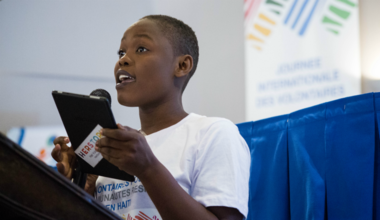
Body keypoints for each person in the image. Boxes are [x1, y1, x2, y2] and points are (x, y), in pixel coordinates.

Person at [52, 15, 250, 220]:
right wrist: (82, 189)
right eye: (121, 52)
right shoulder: (113, 148)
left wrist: (148, 169)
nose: (123, 59)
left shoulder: (213, 133)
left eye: (141, 49)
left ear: (182, 65)